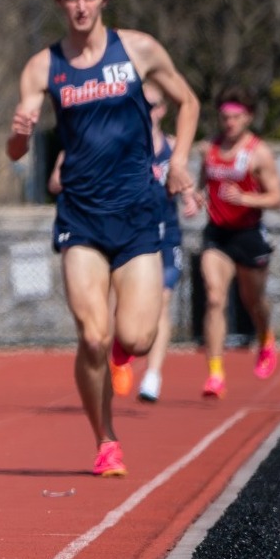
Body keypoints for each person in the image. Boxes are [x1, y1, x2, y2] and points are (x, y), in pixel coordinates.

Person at [9, 0, 199, 480]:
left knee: (135, 339)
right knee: (91, 336)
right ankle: (106, 441)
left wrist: (179, 161)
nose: (81, 7)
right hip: (82, 218)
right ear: (59, 2)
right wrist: (20, 134)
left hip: (138, 213)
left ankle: (121, 352)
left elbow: (188, 102)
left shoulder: (137, 49)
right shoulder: (43, 66)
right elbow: (16, 152)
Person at [49, 84, 198, 403]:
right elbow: (60, 180)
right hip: (133, 231)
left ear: (162, 110)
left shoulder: (172, 147)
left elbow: (184, 181)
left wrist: (190, 197)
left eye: (152, 105)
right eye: (139, 103)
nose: (146, 110)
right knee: (118, 303)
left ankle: (153, 376)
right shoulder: (118, 143)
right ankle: (119, 351)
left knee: (162, 301)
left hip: (165, 233)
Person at [197, 86, 279, 397]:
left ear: (248, 118)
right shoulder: (210, 149)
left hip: (248, 234)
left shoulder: (258, 152)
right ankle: (215, 373)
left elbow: (277, 198)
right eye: (225, 117)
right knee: (214, 298)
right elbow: (202, 185)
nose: (229, 123)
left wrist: (245, 198)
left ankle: (265, 337)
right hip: (217, 234)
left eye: (236, 117)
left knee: (253, 301)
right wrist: (194, 198)